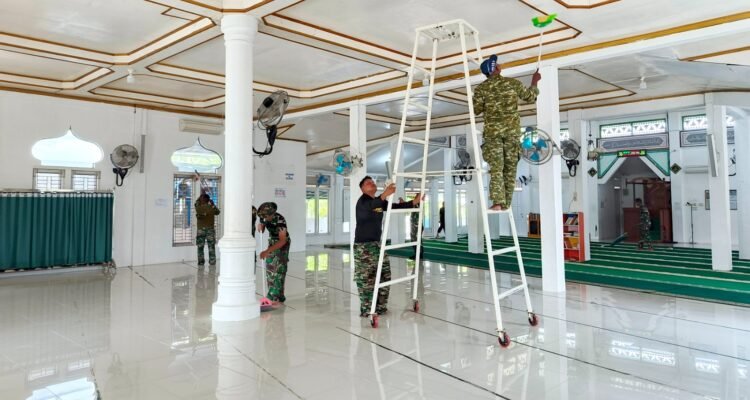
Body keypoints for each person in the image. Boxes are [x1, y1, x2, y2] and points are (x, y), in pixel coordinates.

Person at [473, 54, 541, 211]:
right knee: (510, 169)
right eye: (497, 64)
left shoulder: (481, 89)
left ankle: (498, 202)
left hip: (492, 134)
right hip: (512, 133)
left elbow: (476, 110)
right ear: (496, 68)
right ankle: (505, 204)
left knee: (497, 168)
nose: (499, 65)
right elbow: (530, 97)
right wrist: (535, 81)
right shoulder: (512, 83)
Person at [355, 176, 421, 317]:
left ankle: (381, 307)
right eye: (368, 183)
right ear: (362, 189)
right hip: (364, 247)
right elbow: (372, 205)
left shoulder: (378, 202)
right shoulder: (363, 202)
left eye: (373, 182)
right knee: (366, 279)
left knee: (385, 276)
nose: (372, 183)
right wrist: (385, 193)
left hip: (377, 245)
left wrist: (414, 202)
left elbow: (394, 206)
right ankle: (367, 309)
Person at [257, 202, 290, 303]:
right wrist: (261, 227)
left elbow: (282, 240)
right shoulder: (263, 217)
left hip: (282, 243)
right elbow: (262, 227)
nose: (264, 218)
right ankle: (275, 295)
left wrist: (267, 251)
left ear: (272, 214)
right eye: (263, 217)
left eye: (266, 216)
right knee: (270, 267)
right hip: (272, 241)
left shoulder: (280, 220)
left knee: (279, 269)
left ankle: (275, 296)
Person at [195, 192, 220, 266]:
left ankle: (201, 262)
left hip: (201, 230)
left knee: (200, 247)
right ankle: (212, 262)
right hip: (210, 230)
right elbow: (218, 212)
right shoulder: (211, 208)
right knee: (211, 247)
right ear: (208, 200)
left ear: (202, 200)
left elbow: (196, 203)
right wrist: (212, 204)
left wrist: (199, 199)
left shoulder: (198, 208)